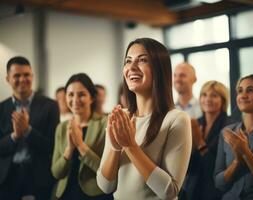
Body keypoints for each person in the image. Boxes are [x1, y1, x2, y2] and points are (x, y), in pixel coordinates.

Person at [97, 38, 192, 200]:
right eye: (128, 61)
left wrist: (130, 146)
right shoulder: (121, 118)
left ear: (159, 69)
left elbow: (169, 191)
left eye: (142, 60)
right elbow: (106, 186)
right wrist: (114, 148)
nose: (132, 67)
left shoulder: (176, 119)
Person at [0, 56, 60, 200]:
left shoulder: (50, 106)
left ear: (32, 76)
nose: (22, 79)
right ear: (8, 79)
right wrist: (15, 136)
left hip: (39, 177)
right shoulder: (1, 109)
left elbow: (53, 146)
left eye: (26, 75)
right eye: (17, 75)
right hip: (8, 177)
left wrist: (28, 131)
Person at [51, 73, 112, 200]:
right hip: (65, 193)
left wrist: (80, 145)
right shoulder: (61, 128)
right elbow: (56, 173)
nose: (75, 100)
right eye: (70, 94)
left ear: (92, 98)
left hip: (95, 194)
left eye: (82, 94)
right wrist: (69, 150)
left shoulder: (105, 124)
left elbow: (108, 173)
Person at [214, 74, 253, 200]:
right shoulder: (227, 132)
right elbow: (218, 183)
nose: (243, 95)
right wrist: (237, 161)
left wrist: (245, 152)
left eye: (250, 90)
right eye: (240, 91)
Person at [179, 80, 230, 200]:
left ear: (223, 101)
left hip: (215, 192)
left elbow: (217, 168)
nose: (208, 99)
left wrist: (200, 142)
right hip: (191, 189)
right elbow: (187, 164)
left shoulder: (229, 126)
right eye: (204, 95)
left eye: (214, 95)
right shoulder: (196, 122)